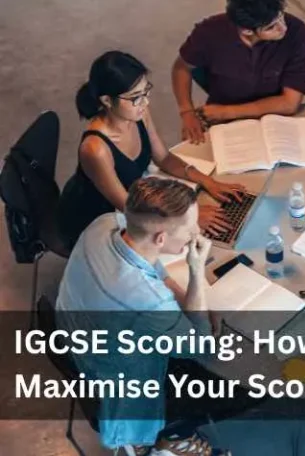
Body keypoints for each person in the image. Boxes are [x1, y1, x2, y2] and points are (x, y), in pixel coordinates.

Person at [56, 178, 230, 455]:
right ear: (161, 238)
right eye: (190, 229)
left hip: (71, 328)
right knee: (225, 381)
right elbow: (201, 346)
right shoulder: (147, 298)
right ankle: (164, 438)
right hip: (111, 373)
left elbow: (154, 270)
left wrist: (183, 299)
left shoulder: (104, 223)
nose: (197, 232)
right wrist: (196, 272)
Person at [57, 50, 244, 252]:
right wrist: (189, 216)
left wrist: (207, 181)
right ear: (107, 101)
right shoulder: (95, 149)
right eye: (136, 97)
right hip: (97, 218)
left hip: (135, 197)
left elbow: (163, 158)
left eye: (146, 91)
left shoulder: (139, 113)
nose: (145, 102)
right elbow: (129, 208)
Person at [172, 0, 305, 143]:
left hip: (275, 117)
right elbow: (181, 68)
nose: (283, 28)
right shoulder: (208, 33)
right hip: (224, 120)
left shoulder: (297, 32)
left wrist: (227, 112)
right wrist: (186, 112)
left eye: (281, 16)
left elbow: (289, 103)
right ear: (246, 31)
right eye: (271, 27)